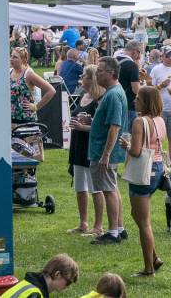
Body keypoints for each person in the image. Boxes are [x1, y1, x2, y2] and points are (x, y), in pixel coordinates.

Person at [118, 86, 167, 277]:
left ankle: (149, 268)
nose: (134, 100)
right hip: (158, 168)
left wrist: (127, 145)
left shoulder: (139, 121)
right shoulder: (160, 120)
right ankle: (154, 257)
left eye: (138, 98)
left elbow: (136, 151)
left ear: (145, 102)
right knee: (136, 214)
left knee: (144, 222)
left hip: (144, 171)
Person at [88, 57, 129, 245]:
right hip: (105, 150)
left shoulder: (113, 95)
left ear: (111, 73)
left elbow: (114, 126)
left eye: (100, 71)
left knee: (108, 190)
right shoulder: (113, 92)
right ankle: (119, 228)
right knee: (112, 187)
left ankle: (113, 232)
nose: (96, 74)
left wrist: (105, 155)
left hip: (104, 152)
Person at [67, 65, 105, 237]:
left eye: (83, 76)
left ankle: (98, 225)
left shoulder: (100, 99)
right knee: (80, 186)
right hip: (78, 145)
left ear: (91, 79)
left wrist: (83, 127)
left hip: (91, 147)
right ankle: (83, 223)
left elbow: (101, 127)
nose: (80, 78)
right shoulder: (83, 95)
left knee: (95, 187)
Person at [149, 46, 171, 171]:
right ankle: (159, 165)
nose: (170, 58)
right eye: (167, 55)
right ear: (162, 56)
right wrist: (161, 85)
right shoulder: (156, 70)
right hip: (159, 109)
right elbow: (150, 90)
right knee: (158, 138)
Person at [10, 47, 55, 126]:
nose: (11, 59)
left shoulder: (28, 74)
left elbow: (51, 90)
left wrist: (36, 107)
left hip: (26, 119)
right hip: (10, 119)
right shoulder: (9, 72)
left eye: (15, 57)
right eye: (11, 56)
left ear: (23, 60)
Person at [0, 254, 78, 298]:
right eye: (68, 282)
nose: (68, 286)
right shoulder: (35, 295)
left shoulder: (27, 284)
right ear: (57, 274)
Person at [115, 40, 141, 128]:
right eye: (139, 52)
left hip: (114, 101)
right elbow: (136, 89)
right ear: (134, 52)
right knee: (126, 133)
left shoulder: (114, 61)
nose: (139, 56)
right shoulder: (132, 65)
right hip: (128, 104)